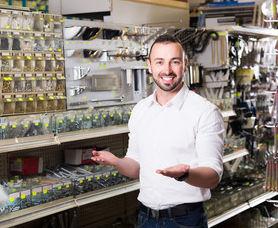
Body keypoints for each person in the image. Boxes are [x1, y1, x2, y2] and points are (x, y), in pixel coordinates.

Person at [91, 34, 224, 228]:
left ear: (185, 65)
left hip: (185, 220)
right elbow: (135, 167)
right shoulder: (141, 110)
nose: (167, 70)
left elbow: (212, 176)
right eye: (160, 62)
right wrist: (117, 162)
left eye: (174, 62)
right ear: (149, 65)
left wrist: (184, 175)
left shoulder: (205, 112)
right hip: (146, 218)